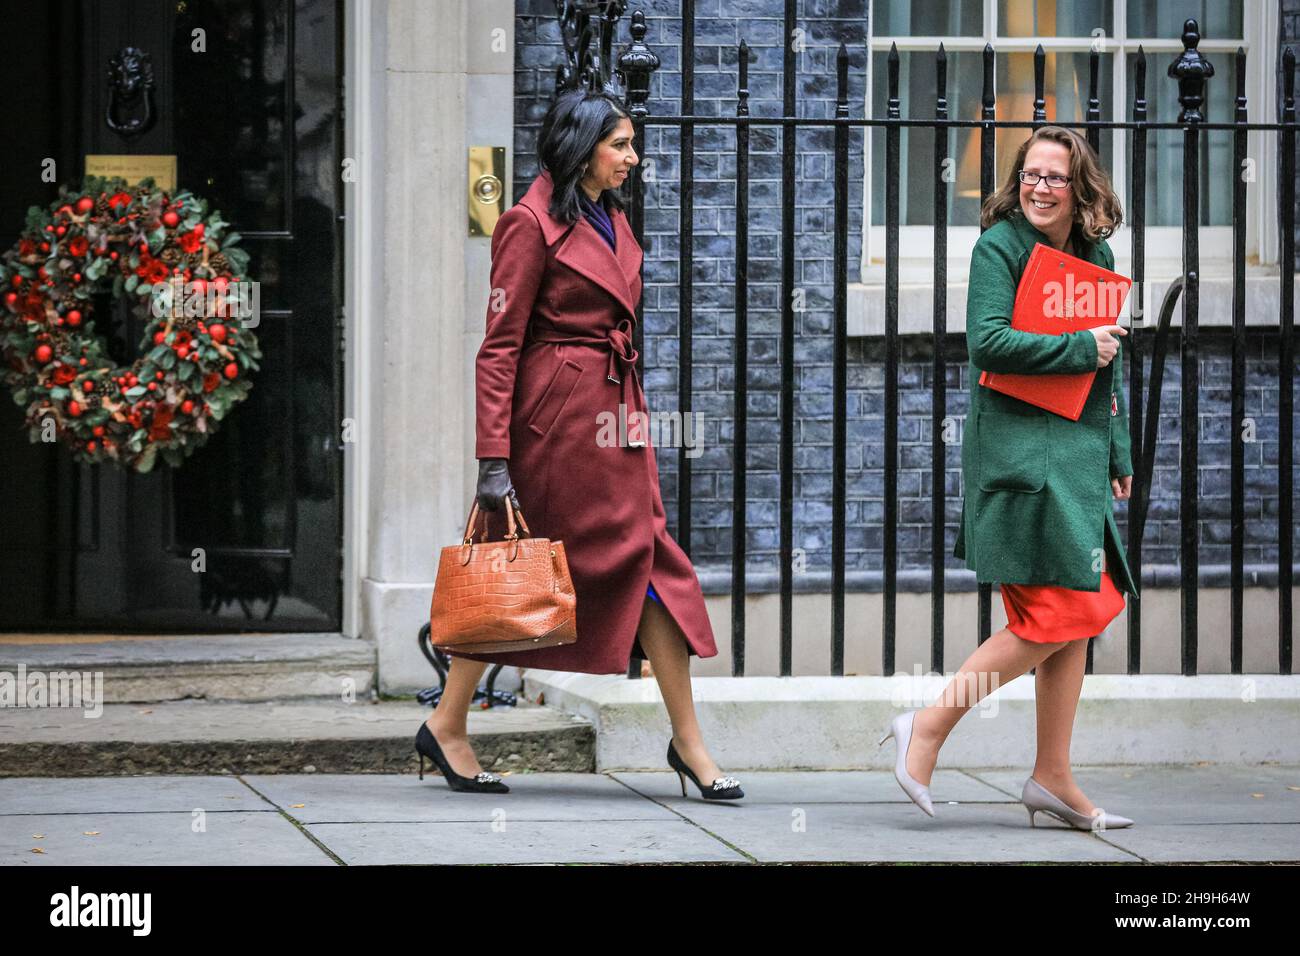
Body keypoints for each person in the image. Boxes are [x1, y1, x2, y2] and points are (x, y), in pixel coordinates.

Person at [415, 88, 742, 801]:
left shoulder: (610, 217)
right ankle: (447, 724)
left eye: (631, 144)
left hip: (617, 417)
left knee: (653, 563)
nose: (634, 157)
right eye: (620, 144)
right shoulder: (527, 224)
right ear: (581, 148)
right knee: (517, 571)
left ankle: (689, 743)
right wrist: (492, 459)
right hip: (555, 427)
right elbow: (498, 349)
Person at [879, 125, 1138, 830]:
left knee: (1077, 614)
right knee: (1060, 613)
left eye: (1055, 176)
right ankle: (927, 727)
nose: (1040, 188)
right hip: (1022, 460)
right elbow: (988, 340)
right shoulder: (999, 248)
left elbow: (1110, 369)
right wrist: (1080, 343)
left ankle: (1052, 777)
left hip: (1078, 459)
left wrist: (1118, 451)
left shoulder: (1096, 254)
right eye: (1031, 174)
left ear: (1079, 186)